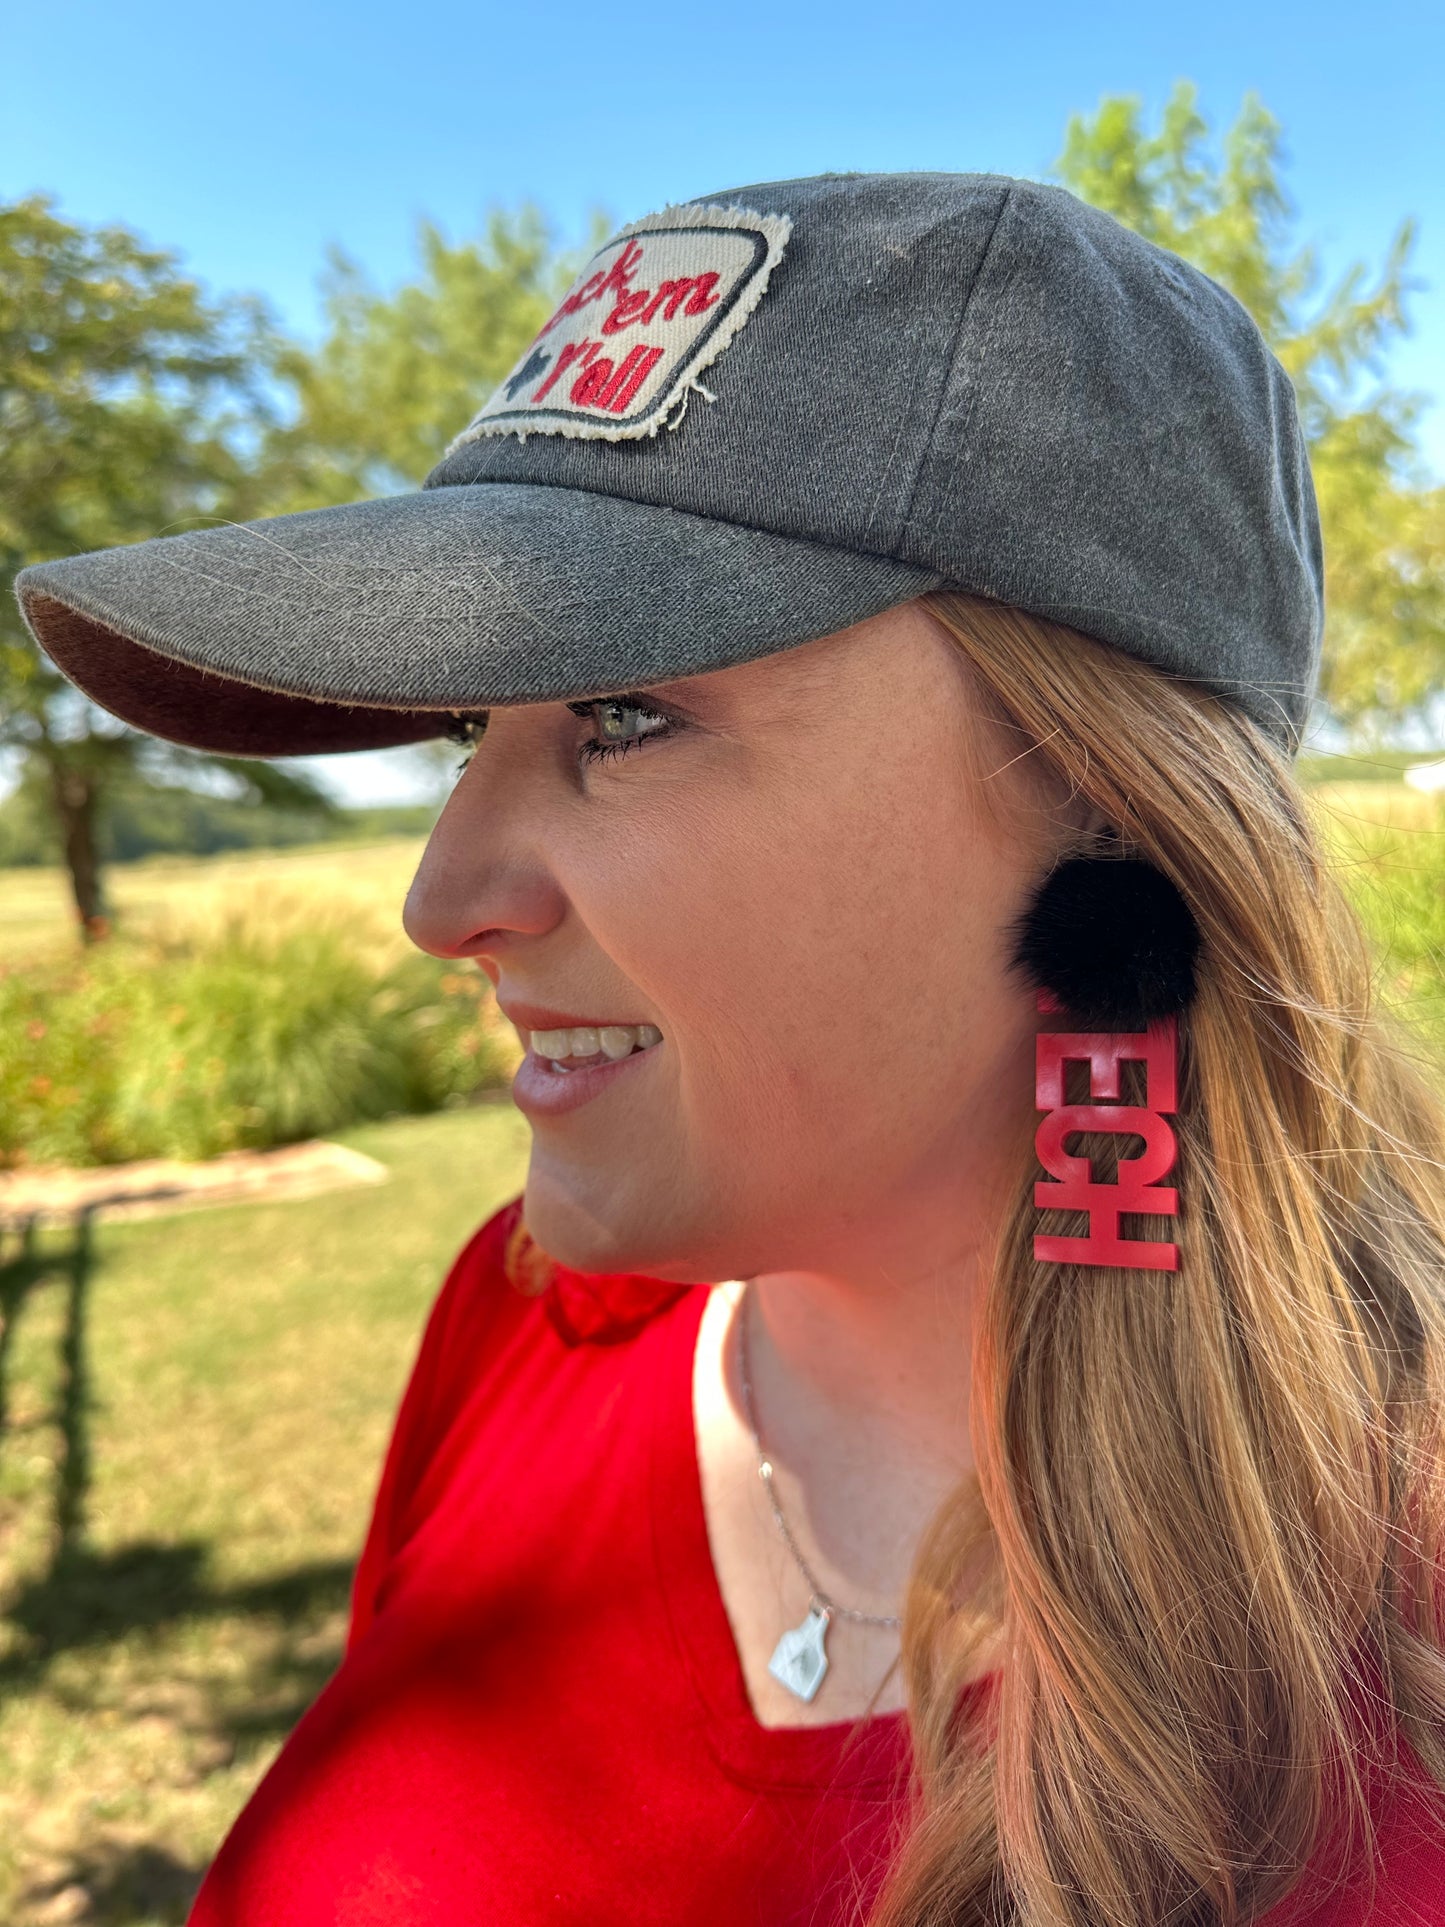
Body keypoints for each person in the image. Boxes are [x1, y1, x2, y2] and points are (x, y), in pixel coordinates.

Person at [17, 172, 1445, 1926]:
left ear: (1098, 792)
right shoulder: (522, 1317)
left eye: (623, 715)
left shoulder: (1395, 1644)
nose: (443, 896)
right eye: (474, 729)